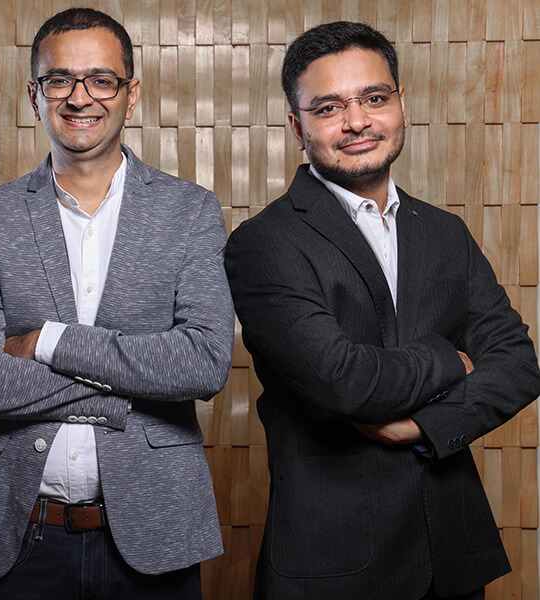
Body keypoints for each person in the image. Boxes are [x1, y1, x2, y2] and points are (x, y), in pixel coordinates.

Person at [225, 20, 540, 600]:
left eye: (375, 98)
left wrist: (424, 425)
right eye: (329, 107)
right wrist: (456, 359)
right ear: (297, 127)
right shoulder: (264, 243)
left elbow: (519, 363)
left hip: (452, 555)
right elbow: (347, 384)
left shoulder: (445, 232)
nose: (358, 122)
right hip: (334, 565)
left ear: (400, 105)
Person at [0, 8, 235, 599]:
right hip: (17, 535)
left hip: (157, 533)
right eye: (60, 81)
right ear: (35, 95)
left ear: (131, 95)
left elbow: (204, 364)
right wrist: (135, 381)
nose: (80, 98)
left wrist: (45, 343)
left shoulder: (190, 212)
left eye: (102, 80)